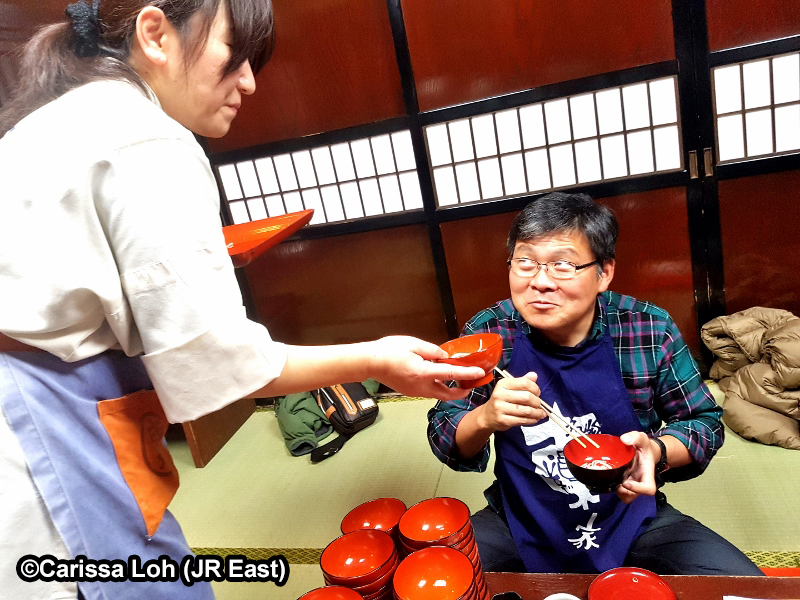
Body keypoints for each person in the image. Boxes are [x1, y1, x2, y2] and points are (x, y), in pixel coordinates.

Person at [0, 2, 484, 599]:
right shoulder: (144, 137)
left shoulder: (50, 122)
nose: (249, 81)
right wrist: (380, 360)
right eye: (235, 54)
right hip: (35, 423)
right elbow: (220, 363)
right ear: (156, 34)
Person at [427, 192, 764, 576]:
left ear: (603, 272)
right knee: (437, 582)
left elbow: (703, 422)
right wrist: (485, 417)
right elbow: (444, 429)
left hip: (631, 519)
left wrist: (654, 452)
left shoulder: (647, 328)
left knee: (742, 585)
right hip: (517, 520)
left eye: (563, 265)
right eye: (525, 262)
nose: (540, 281)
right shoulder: (489, 331)